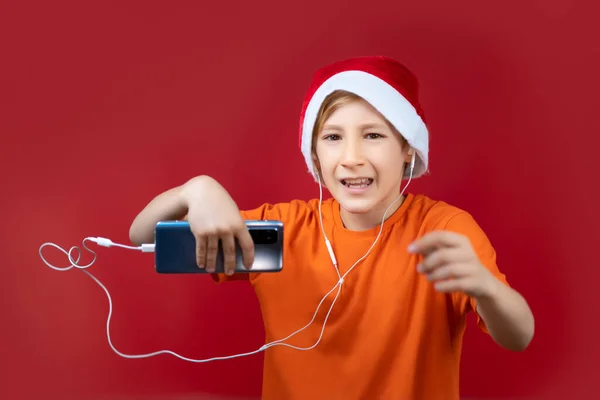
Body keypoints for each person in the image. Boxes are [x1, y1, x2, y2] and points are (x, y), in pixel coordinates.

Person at [129, 55, 535, 400]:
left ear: (407, 147)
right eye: (333, 137)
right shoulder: (286, 228)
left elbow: (519, 336)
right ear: (315, 153)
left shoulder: (444, 228)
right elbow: (141, 237)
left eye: (373, 135)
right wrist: (195, 191)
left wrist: (487, 288)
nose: (352, 157)